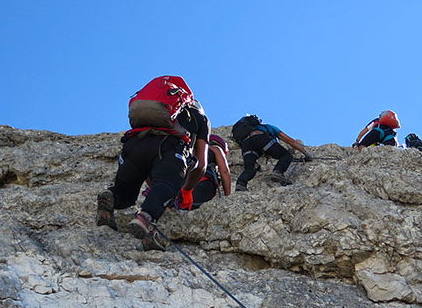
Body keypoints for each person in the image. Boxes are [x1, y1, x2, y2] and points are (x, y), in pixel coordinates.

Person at [96, 75, 211, 251]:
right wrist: (186, 190)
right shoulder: (199, 118)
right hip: (170, 148)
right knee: (167, 185)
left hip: (133, 146)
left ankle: (111, 197)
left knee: (126, 193)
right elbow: (202, 165)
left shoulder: (155, 110)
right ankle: (145, 218)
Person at [232, 115, 312, 189]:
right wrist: (306, 153)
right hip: (260, 138)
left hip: (246, 144)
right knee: (286, 156)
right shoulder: (268, 127)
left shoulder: (245, 132)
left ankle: (240, 184)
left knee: (250, 169)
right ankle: (278, 172)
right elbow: (290, 141)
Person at [179, 133, 231, 209]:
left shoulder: (190, 148)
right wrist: (228, 196)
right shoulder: (215, 149)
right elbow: (225, 171)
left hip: (182, 186)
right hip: (202, 185)